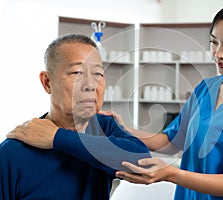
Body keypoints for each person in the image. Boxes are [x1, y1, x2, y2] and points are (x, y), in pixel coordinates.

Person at [106, 1, 223, 199]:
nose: (218, 53)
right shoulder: (206, 89)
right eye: (214, 42)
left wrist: (170, 174)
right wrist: (121, 130)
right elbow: (171, 142)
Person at [1, 33, 151, 200]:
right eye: (77, 72)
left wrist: (57, 138)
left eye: (98, 74)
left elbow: (142, 161)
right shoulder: (12, 153)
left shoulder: (104, 128)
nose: (90, 85)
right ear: (47, 82)